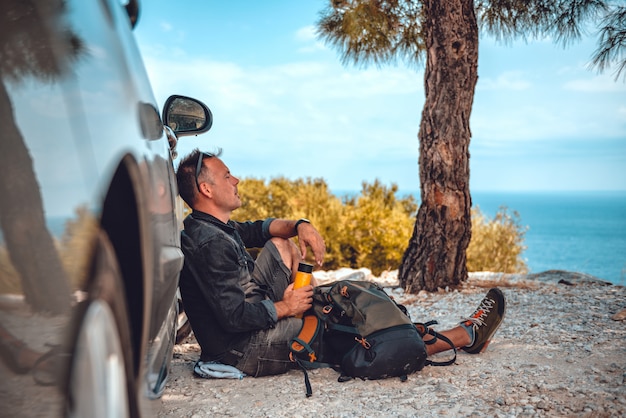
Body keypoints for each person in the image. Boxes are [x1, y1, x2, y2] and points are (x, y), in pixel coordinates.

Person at [175, 149, 506, 378]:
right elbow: (233, 317)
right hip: (242, 350)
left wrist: (301, 225)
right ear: (206, 188)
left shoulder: (213, 225)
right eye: (227, 175)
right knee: (343, 328)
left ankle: (320, 314)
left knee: (281, 243)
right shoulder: (210, 243)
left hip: (251, 318)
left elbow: (262, 229)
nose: (236, 180)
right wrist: (287, 307)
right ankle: (464, 336)